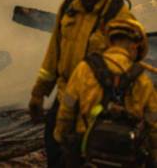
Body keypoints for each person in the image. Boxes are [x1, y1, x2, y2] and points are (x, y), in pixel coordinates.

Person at [29, 0, 134, 167]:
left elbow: (129, 66)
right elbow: (54, 53)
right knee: (54, 147)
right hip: (65, 95)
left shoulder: (118, 15)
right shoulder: (70, 8)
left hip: (97, 103)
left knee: (86, 155)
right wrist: (39, 93)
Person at [54, 18, 157, 167]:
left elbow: (67, 106)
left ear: (110, 41)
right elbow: (153, 124)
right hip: (127, 156)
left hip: (88, 153)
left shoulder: (84, 69)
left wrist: (62, 136)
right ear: (134, 46)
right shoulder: (142, 80)